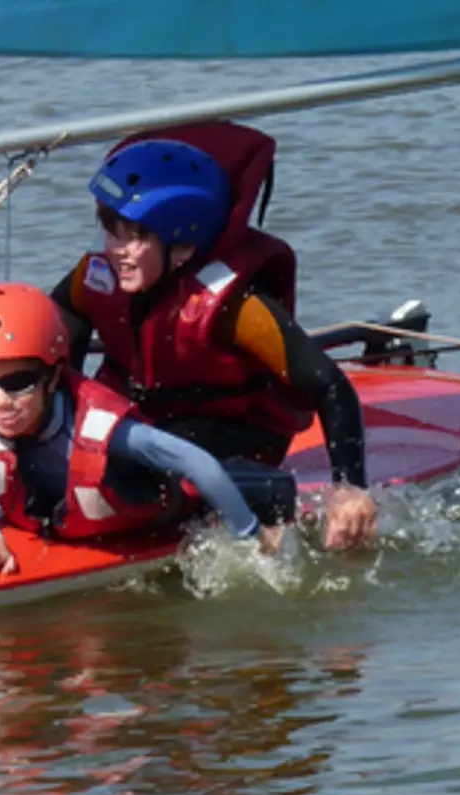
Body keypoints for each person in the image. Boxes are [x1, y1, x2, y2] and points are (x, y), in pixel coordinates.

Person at [47, 122, 379, 550]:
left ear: (183, 246)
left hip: (232, 434)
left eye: (137, 236)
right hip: (148, 423)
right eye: (111, 229)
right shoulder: (94, 278)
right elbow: (54, 340)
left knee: (131, 465)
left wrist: (350, 489)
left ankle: (263, 500)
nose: (116, 249)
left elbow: (330, 385)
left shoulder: (235, 306)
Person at [0, 284, 299, 573]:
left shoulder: (103, 430)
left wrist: (247, 538)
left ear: (52, 378)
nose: (0, 402)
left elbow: (197, 463)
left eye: (19, 382)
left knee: (273, 490)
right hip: (100, 517)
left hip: (186, 498)